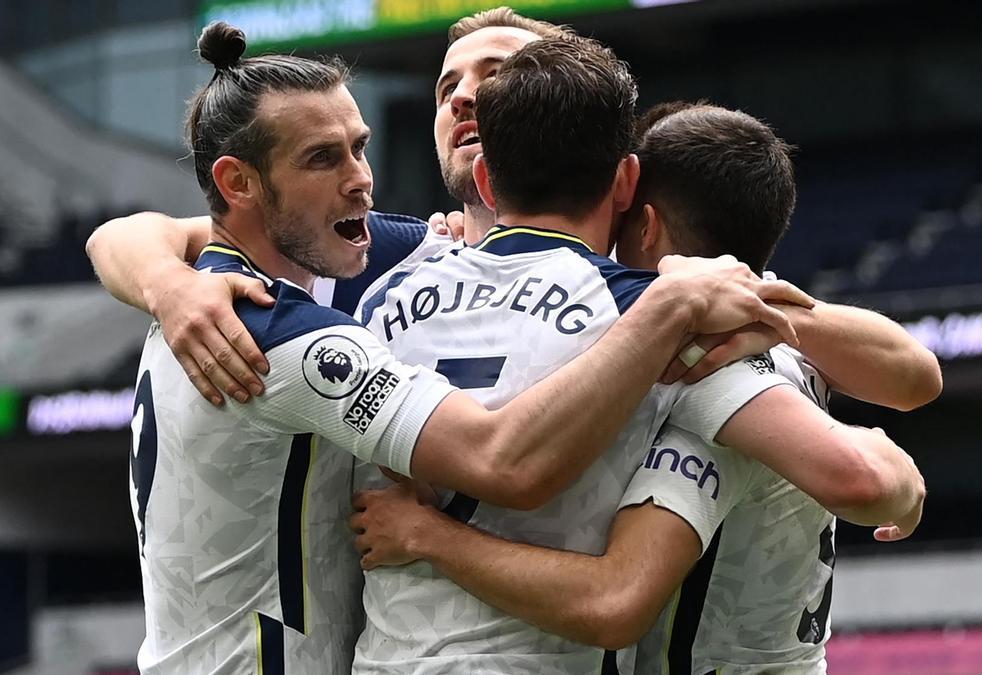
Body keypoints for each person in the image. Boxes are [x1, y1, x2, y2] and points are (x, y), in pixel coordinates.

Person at [131, 22, 805, 675]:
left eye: (360, 148)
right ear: (237, 182)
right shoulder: (274, 331)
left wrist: (160, 277)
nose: (362, 180)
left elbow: (135, 236)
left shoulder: (304, 278)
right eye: (322, 158)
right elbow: (500, 458)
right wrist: (672, 305)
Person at [350, 102, 931, 674]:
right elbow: (917, 377)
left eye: (619, 216)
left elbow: (615, 599)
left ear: (645, 223)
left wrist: (429, 535)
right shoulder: (765, 328)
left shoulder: (700, 359)